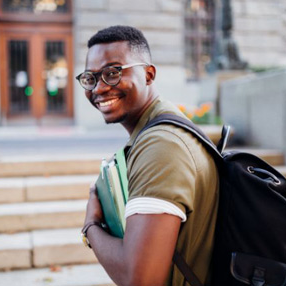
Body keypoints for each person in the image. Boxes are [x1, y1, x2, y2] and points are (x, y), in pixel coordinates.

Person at [77, 25, 219, 286]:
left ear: (149, 74)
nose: (99, 88)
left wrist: (90, 226)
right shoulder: (156, 131)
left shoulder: (161, 146)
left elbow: (140, 280)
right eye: (90, 78)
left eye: (112, 73)